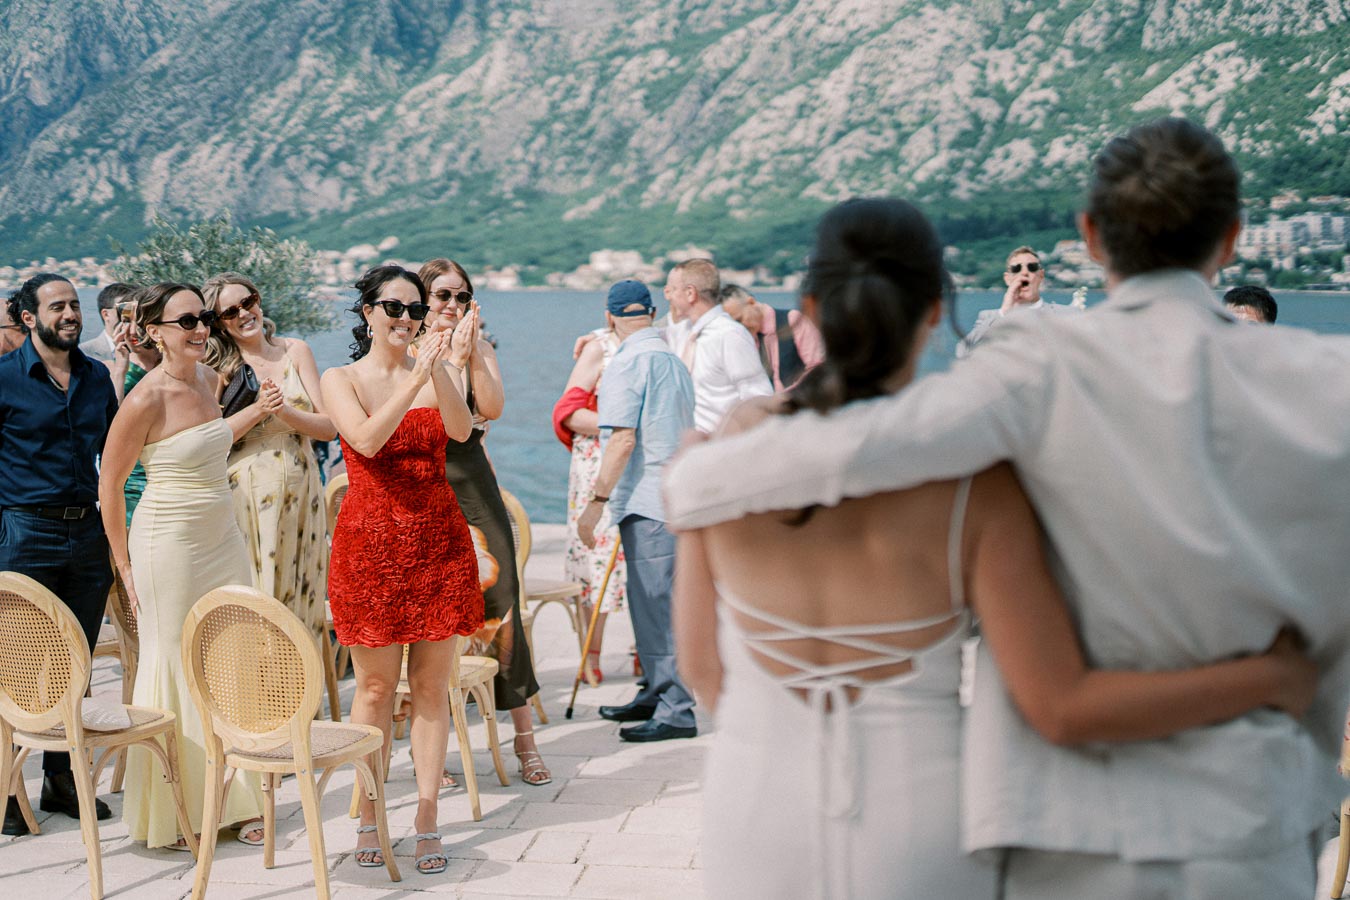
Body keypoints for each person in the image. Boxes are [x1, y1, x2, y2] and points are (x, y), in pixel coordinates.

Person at [665, 119, 1350, 898]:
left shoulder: (1032, 367)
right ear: (1232, 237)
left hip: (1066, 825)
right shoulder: (1331, 384)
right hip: (1260, 820)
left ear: (1090, 235)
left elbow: (872, 439)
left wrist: (699, 480)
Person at [322, 264, 481, 875]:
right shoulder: (343, 378)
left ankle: (427, 815)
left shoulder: (430, 370)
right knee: (375, 690)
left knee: (433, 691)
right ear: (367, 313)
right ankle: (367, 812)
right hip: (370, 546)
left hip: (439, 540)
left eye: (415, 309)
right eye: (394, 309)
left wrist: (437, 368)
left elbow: (463, 431)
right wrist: (412, 375)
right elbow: (363, 440)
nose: (407, 320)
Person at [97, 282, 265, 850]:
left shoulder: (209, 379)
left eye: (202, 319)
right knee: (172, 661)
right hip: (165, 541)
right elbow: (111, 486)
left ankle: (236, 796)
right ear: (153, 332)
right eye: (185, 321)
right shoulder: (144, 399)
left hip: (222, 536)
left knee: (232, 657)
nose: (200, 329)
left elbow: (213, 446)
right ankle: (175, 807)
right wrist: (122, 563)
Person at [417, 258, 551, 787]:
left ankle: (524, 739)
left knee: (504, 606)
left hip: (473, 485)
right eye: (441, 296)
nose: (451, 305)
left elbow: (490, 408)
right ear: (421, 300)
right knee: (436, 617)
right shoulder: (407, 353)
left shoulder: (482, 351)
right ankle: (436, 751)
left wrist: (467, 354)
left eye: (461, 295)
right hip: (424, 489)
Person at [0, 273, 118, 837]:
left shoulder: (97, 378)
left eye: (75, 305)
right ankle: (8, 791)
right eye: (59, 306)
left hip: (88, 536)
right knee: (18, 668)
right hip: (24, 534)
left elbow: (118, 458)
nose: (71, 314)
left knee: (75, 665)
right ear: (29, 318)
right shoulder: (1, 380)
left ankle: (62, 781)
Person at [578, 280, 697, 742]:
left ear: (610, 318)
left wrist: (596, 503)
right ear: (649, 311)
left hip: (649, 500)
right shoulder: (671, 357)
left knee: (657, 604)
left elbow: (622, 438)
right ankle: (655, 689)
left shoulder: (628, 361)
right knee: (650, 604)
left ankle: (676, 709)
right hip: (673, 494)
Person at [203, 273, 335, 639]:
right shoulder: (220, 368)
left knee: (303, 587)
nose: (245, 313)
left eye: (249, 301)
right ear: (219, 323)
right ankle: (260, 689)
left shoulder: (296, 351)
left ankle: (300, 689)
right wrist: (259, 410)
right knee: (259, 593)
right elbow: (212, 439)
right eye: (231, 311)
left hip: (303, 486)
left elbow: (329, 427)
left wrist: (286, 414)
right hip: (247, 493)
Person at [553, 326, 628, 686]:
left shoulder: (664, 341)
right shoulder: (599, 348)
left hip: (642, 468)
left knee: (644, 562)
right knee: (595, 560)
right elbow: (567, 410)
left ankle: (646, 651)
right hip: (598, 464)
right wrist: (624, 426)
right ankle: (590, 653)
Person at [663, 259, 772, 433]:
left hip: (725, 447)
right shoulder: (683, 332)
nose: (668, 296)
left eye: (673, 290)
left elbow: (758, 399)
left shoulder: (730, 335)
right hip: (690, 448)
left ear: (690, 293)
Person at [958, 246, 1077, 354]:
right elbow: (963, 352)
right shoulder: (988, 317)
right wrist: (1003, 313)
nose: (1024, 273)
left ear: (1041, 275)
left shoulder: (1067, 314)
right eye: (1016, 269)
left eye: (1032, 267)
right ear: (1007, 279)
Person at [719, 284, 825, 391]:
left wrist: (787, 396)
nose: (739, 328)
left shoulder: (793, 320)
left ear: (751, 302)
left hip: (802, 401)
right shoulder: (741, 338)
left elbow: (817, 367)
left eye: (739, 320)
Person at [77, 282, 132, 362]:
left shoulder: (147, 350)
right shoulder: (84, 353)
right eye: (124, 310)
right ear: (106, 315)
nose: (131, 316)